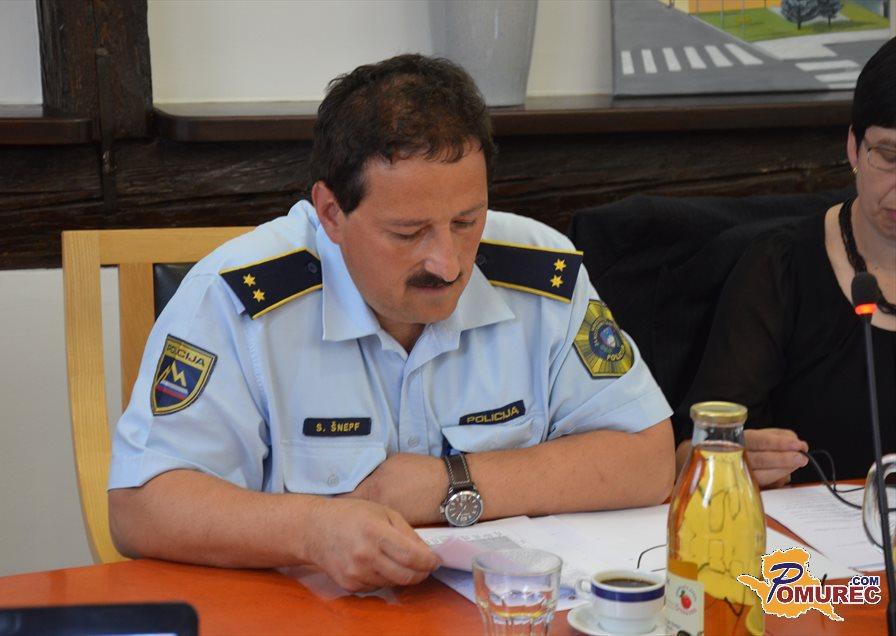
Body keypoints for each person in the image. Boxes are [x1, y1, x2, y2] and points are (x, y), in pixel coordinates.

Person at [108, 54, 675, 592]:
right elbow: (139, 508)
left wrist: (453, 483)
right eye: (408, 232)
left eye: (466, 222)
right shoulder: (238, 298)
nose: (448, 263)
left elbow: (648, 459)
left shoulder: (541, 274)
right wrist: (311, 529)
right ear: (331, 213)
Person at [675, 39, 895, 487]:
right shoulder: (779, 269)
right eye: (889, 158)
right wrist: (735, 460)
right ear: (853, 147)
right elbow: (688, 455)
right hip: (810, 531)